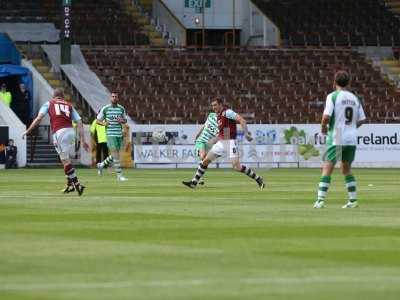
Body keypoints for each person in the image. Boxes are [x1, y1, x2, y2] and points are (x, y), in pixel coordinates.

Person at [182, 98, 265, 189]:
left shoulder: (227, 112)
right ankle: (194, 183)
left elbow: (242, 120)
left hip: (230, 143)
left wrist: (246, 134)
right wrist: (216, 139)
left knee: (236, 166)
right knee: (205, 161)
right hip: (221, 143)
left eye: (215, 105)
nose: (213, 107)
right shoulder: (218, 116)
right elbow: (225, 131)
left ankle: (258, 178)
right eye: (212, 105)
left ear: (221, 104)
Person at [313, 70, 367, 209]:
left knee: (327, 167)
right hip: (351, 137)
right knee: (346, 169)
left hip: (337, 134)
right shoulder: (355, 98)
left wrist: (323, 128)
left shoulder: (333, 96)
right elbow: (362, 119)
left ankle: (320, 200)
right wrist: (351, 127)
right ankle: (353, 200)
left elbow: (326, 117)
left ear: (334, 82)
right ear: (349, 83)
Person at [23, 89, 89, 196]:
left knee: (65, 160)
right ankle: (70, 185)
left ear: (54, 96)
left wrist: (28, 130)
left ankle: (77, 184)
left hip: (60, 132)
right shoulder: (69, 105)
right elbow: (80, 121)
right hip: (70, 132)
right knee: (65, 160)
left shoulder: (49, 103)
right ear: (62, 96)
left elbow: (39, 118)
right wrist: (83, 140)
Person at [96, 92, 128, 181]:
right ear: (110, 98)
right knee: (116, 155)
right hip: (110, 134)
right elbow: (98, 120)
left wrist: (122, 120)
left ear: (118, 98)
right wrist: (104, 123)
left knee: (115, 155)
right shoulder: (105, 108)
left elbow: (125, 120)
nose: (114, 98)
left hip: (119, 134)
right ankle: (119, 176)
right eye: (112, 96)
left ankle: (101, 165)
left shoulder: (121, 109)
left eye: (115, 97)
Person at [193, 110, 219, 185]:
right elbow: (204, 126)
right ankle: (199, 178)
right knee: (202, 156)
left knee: (204, 160)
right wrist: (197, 135)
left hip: (209, 143)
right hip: (201, 140)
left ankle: (199, 176)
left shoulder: (222, 124)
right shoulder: (211, 115)